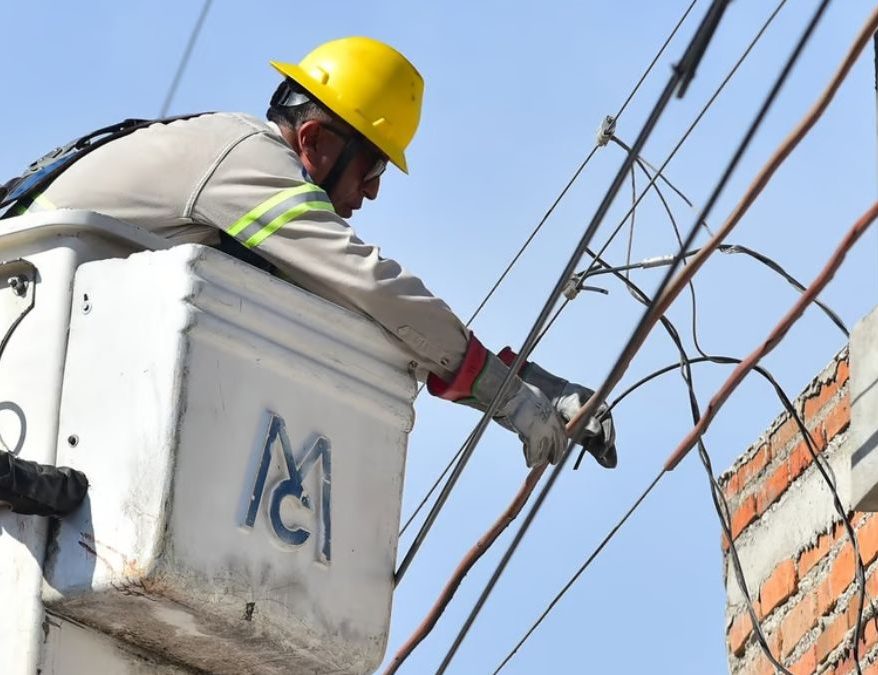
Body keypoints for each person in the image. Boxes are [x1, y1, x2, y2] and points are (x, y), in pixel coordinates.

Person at [3, 36, 616, 471]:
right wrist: (506, 398)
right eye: (372, 164)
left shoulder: (233, 169)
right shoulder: (247, 164)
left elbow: (363, 309)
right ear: (316, 139)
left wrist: (521, 381)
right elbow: (366, 285)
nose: (373, 189)